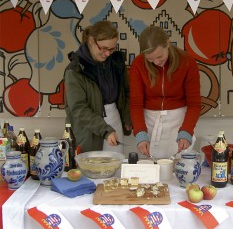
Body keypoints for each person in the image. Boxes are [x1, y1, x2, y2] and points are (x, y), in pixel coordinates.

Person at [130, 26, 201, 159]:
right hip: (149, 122)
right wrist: (140, 132)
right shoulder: (138, 64)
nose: (156, 62)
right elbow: (135, 104)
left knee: (179, 165)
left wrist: (187, 130)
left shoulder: (187, 62)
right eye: (150, 60)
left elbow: (194, 104)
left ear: (167, 44)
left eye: (159, 57)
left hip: (179, 121)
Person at [64, 20, 132, 153]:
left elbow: (126, 92)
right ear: (91, 41)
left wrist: (127, 116)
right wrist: (105, 130)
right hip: (87, 127)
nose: (107, 54)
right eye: (104, 48)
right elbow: (79, 109)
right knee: (91, 168)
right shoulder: (75, 69)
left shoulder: (116, 62)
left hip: (114, 118)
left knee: (115, 165)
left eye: (112, 49)